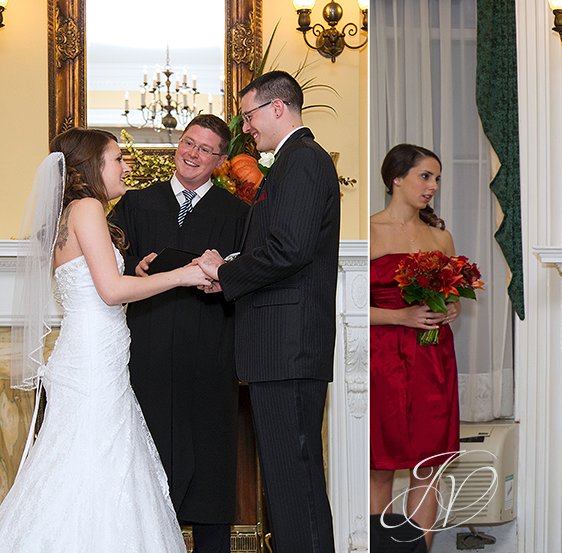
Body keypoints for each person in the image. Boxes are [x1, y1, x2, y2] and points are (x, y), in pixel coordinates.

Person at [0, 128, 213, 550]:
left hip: (90, 357)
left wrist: (136, 273)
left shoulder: (67, 214)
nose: (125, 166)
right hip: (93, 363)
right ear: (92, 166)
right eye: (117, 158)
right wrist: (184, 275)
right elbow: (109, 292)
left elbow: (91, 281)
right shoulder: (87, 208)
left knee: (82, 462)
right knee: (98, 464)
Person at [196, 70, 340, 553]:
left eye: (249, 115)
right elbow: (285, 246)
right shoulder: (295, 163)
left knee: (294, 485)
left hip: (288, 347)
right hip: (283, 348)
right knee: (288, 485)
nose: (246, 126)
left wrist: (226, 275)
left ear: (278, 108)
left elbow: (290, 250)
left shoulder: (302, 162)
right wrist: (232, 262)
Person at [108, 114, 248, 553]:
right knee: (148, 464)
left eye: (205, 149)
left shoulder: (238, 214)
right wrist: (138, 267)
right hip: (147, 353)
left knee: (210, 465)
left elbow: (251, 277)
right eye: (189, 143)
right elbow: (105, 266)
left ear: (221, 161)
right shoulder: (134, 205)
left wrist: (224, 277)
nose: (192, 154)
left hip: (210, 357)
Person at [369, 144, 462, 551]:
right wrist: (400, 317)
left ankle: (418, 550)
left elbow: (455, 297)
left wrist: (451, 308)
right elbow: (348, 307)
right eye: (425, 176)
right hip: (384, 356)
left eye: (437, 179)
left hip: (431, 356)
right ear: (397, 178)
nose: (433, 187)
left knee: (428, 464)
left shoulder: (441, 237)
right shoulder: (367, 232)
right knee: (381, 466)